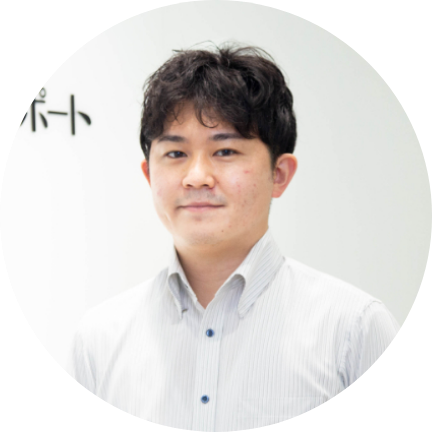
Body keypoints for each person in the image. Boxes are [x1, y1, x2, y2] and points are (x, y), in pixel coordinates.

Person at [68, 43, 399, 429]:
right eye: (175, 154)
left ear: (279, 174)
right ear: (149, 175)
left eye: (225, 151)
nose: (196, 177)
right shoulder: (99, 340)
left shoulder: (353, 329)